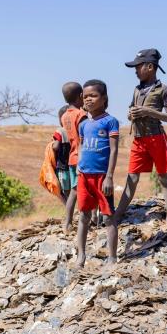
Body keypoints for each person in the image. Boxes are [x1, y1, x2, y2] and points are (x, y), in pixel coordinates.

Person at [114, 48, 167, 225]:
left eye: (138, 67)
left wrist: (148, 111)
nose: (135, 71)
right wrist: (131, 114)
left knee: (163, 177)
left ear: (150, 67)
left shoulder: (163, 90)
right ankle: (118, 214)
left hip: (156, 138)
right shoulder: (136, 90)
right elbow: (129, 112)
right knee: (132, 177)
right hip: (139, 139)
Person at [75, 79, 119, 267]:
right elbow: (82, 145)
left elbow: (114, 150)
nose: (88, 100)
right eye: (85, 97)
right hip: (84, 176)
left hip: (102, 176)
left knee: (108, 217)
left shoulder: (110, 121)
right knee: (84, 216)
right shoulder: (83, 124)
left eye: (93, 96)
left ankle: (112, 257)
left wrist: (109, 176)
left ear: (104, 98)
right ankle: (81, 255)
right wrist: (79, 166)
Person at [59, 82, 87, 233]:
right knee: (77, 190)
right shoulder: (81, 115)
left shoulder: (64, 116)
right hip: (82, 157)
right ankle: (68, 223)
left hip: (72, 157)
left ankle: (72, 221)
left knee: (75, 191)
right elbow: (85, 136)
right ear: (81, 96)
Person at [52, 105, 71, 201]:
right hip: (73, 166)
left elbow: (56, 147)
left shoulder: (60, 131)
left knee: (64, 191)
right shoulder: (74, 130)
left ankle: (69, 210)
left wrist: (51, 145)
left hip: (62, 167)